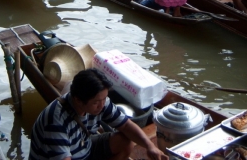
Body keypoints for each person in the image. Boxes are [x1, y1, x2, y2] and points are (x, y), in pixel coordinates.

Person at [28, 68, 167, 160]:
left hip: (84, 148)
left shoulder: (100, 102)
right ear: (78, 100)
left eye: (104, 99)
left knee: (125, 141)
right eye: (96, 102)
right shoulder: (55, 121)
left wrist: (150, 147)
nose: (102, 105)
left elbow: (126, 126)